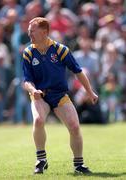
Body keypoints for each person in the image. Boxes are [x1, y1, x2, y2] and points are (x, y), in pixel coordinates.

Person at [22, 17, 98, 174]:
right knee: (38, 120)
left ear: (44, 32)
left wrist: (89, 92)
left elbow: (78, 71)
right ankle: (41, 160)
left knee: (75, 127)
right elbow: (26, 81)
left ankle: (78, 165)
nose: (29, 33)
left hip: (59, 95)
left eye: (32, 30)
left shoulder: (60, 50)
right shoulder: (28, 52)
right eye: (29, 31)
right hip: (40, 95)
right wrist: (33, 90)